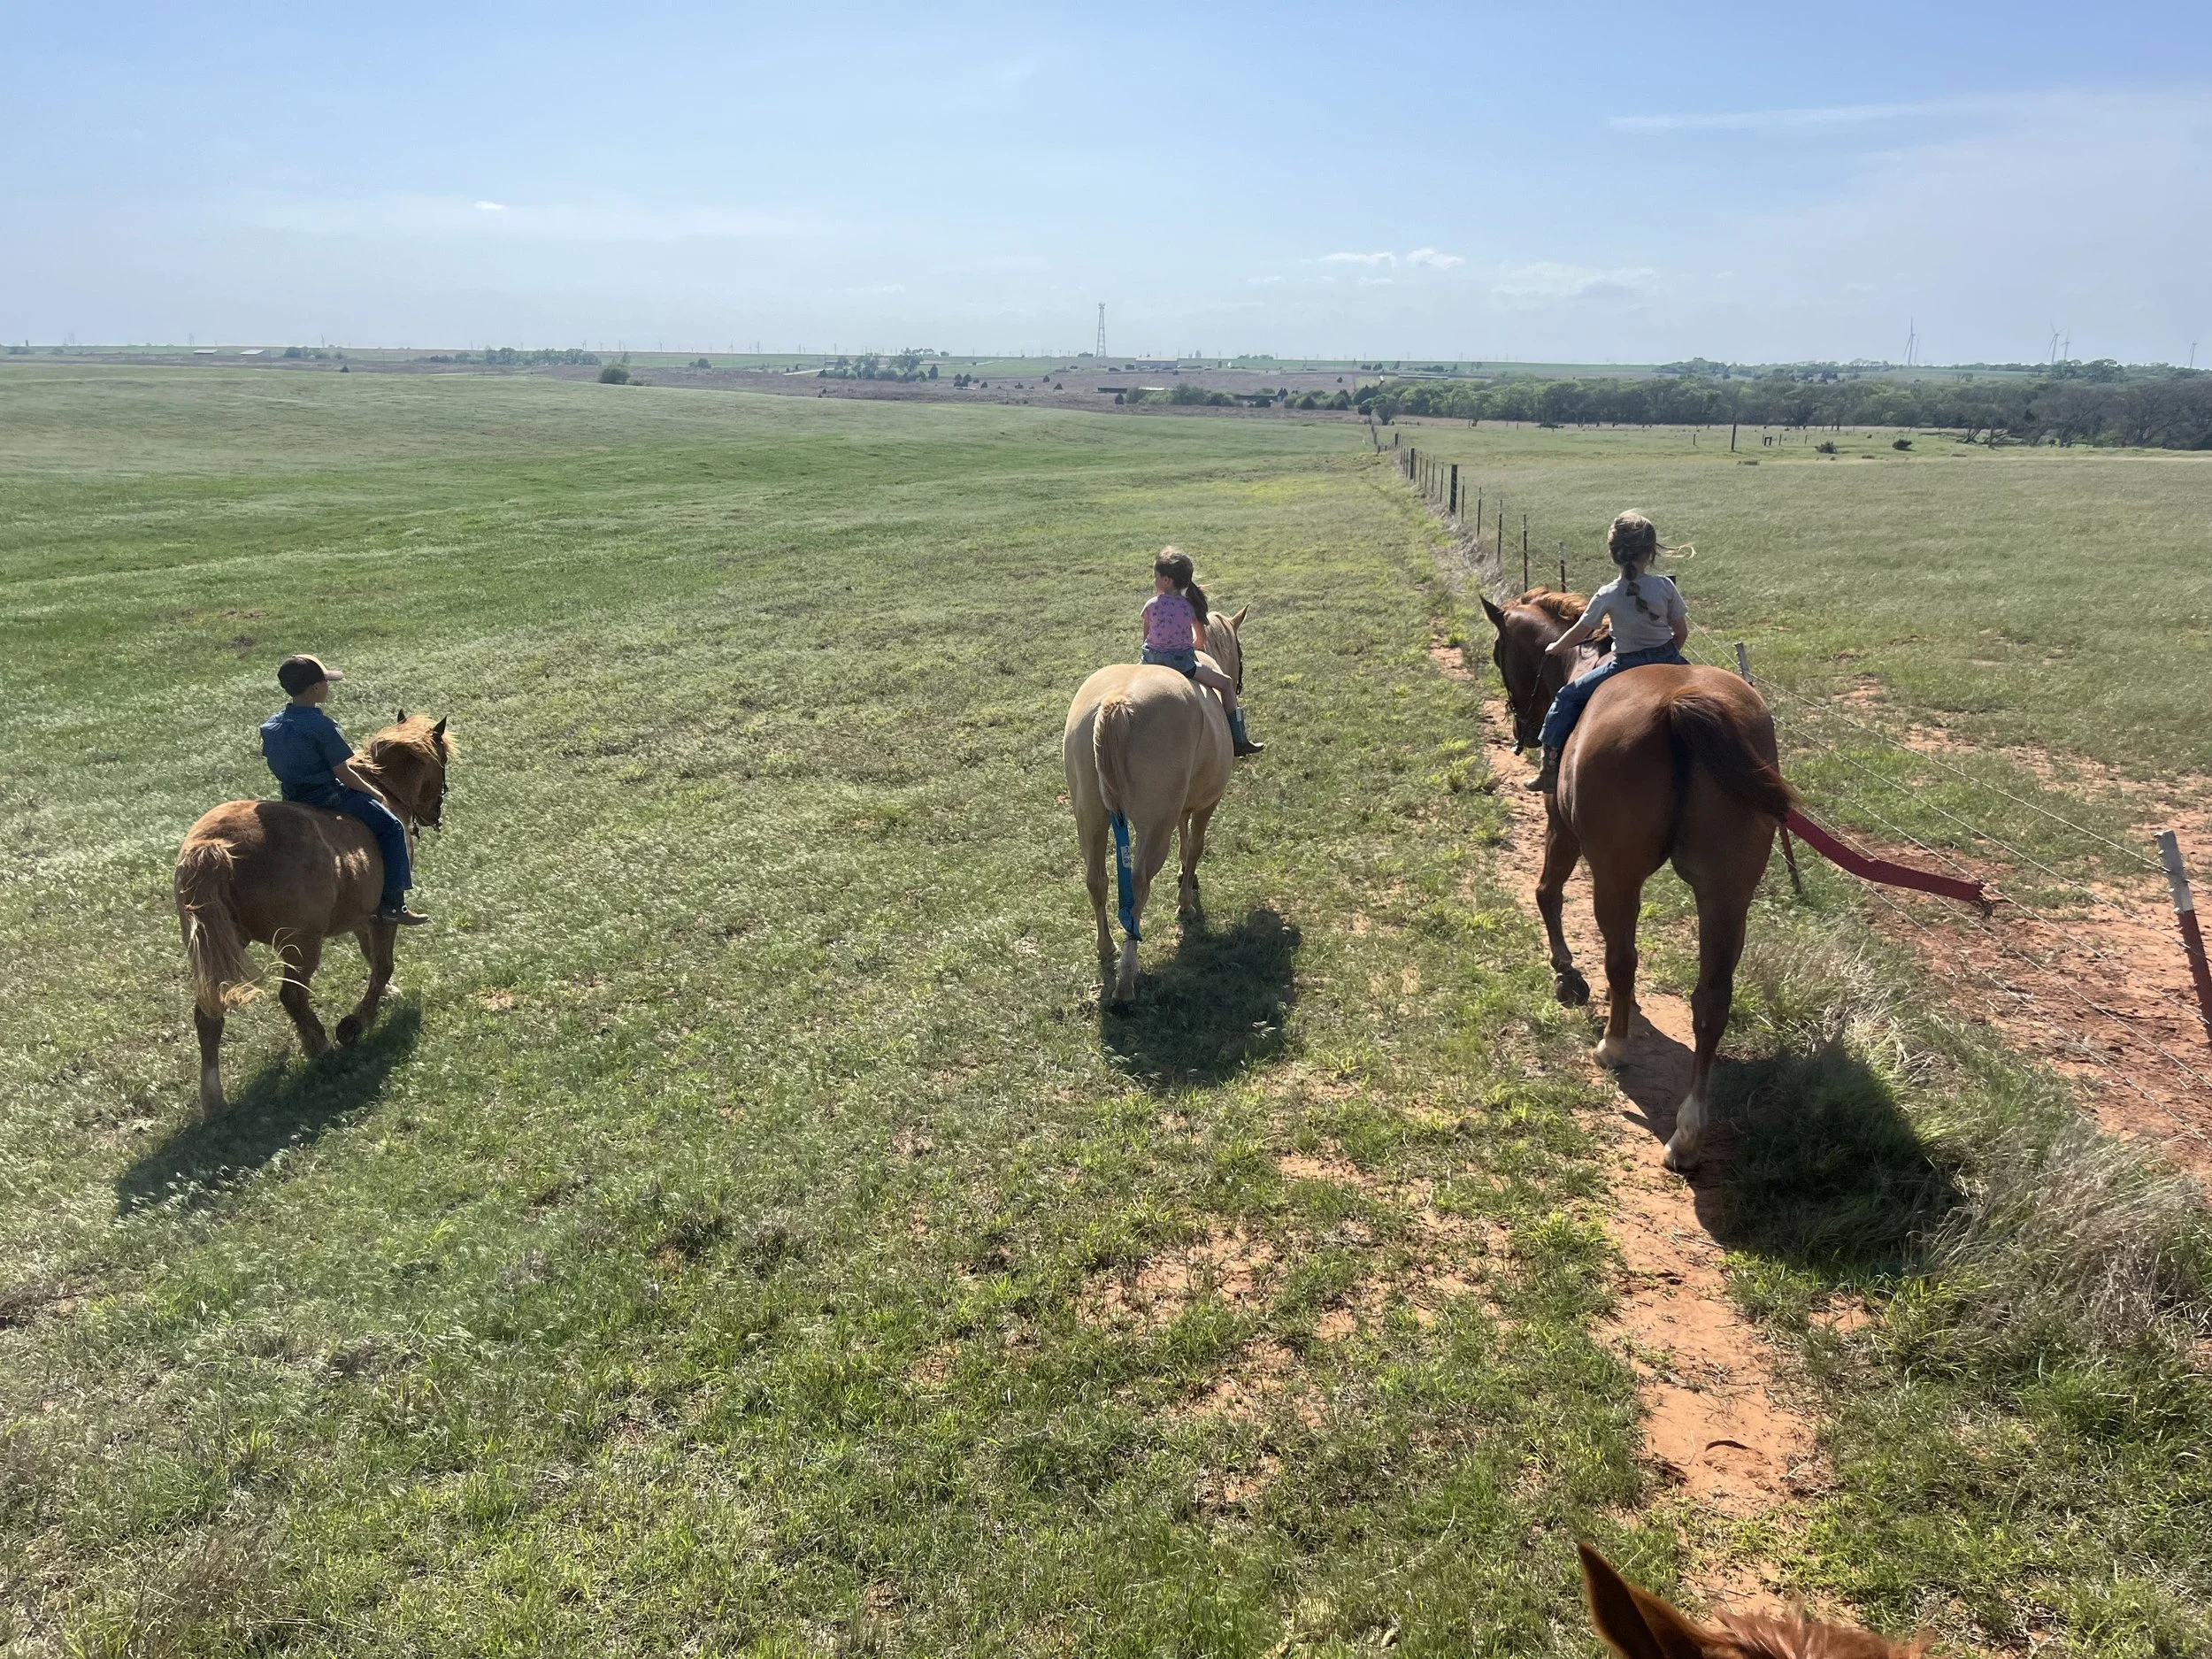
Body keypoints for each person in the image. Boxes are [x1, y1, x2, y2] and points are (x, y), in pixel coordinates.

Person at [1525, 511, 1690, 793]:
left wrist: (1556, 647)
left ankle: (1549, 771)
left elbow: (1583, 630)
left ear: (1612, 553)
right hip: (1669, 657)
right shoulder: (1665, 586)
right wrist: (1668, 657)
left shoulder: (1607, 594)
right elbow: (1681, 632)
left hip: (1626, 665)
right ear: (1650, 552)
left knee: (1566, 699)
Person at [260, 655, 429, 925]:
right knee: (393, 827)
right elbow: (344, 772)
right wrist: (374, 793)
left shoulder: (270, 726)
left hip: (292, 798)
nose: (328, 687)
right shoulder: (322, 726)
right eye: (325, 682)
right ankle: (394, 904)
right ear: (315, 688)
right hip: (328, 797)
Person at [1141, 547, 1262, 757]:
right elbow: (1202, 639)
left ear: (1167, 580)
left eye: (1156, 577)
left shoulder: (1150, 605)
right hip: (1183, 664)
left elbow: (1146, 638)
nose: (1155, 581)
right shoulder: (1190, 608)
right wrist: (1187, 647)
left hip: (1150, 662)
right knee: (1225, 684)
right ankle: (1239, 739)